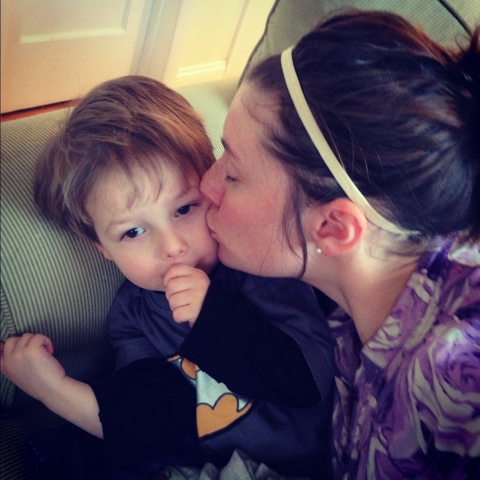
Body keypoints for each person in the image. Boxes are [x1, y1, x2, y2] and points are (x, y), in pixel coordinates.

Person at [0, 76, 334, 478]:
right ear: (102, 248)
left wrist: (211, 316)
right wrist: (52, 389)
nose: (172, 246)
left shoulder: (256, 265)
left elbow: (311, 381)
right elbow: (149, 417)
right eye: (133, 232)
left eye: (184, 209)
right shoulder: (132, 315)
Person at [199, 10, 480, 479]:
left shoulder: (458, 386)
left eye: (233, 173)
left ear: (333, 228)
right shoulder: (350, 298)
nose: (205, 185)